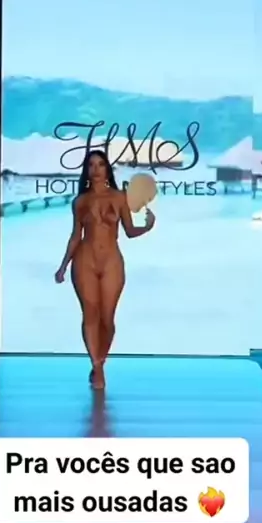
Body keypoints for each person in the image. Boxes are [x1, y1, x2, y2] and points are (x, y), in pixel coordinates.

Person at [54, 150, 155, 389]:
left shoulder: (119, 198)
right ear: (86, 170)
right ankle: (97, 367)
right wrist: (63, 265)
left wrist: (147, 227)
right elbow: (75, 236)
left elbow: (129, 231)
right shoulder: (80, 202)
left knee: (107, 318)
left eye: (100, 164)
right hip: (84, 260)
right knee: (90, 314)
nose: (96, 169)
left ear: (107, 169)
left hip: (111, 261)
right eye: (91, 165)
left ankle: (100, 360)